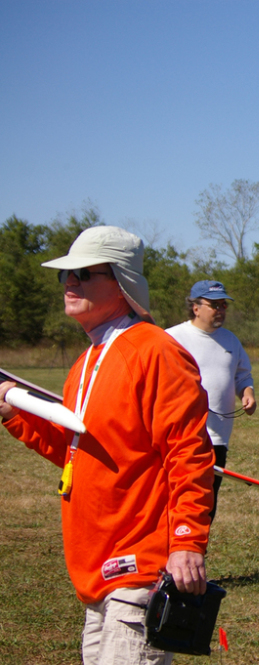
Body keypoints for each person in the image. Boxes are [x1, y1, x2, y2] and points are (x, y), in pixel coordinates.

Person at [0, 226, 215, 665]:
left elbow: (188, 452)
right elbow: (79, 451)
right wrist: (14, 414)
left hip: (137, 569)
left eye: (83, 273)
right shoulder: (86, 361)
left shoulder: (155, 350)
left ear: (119, 282)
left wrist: (186, 540)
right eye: (66, 276)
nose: (70, 284)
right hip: (96, 572)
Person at [166, 280, 255, 520]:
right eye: (214, 305)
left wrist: (247, 393)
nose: (221, 310)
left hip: (217, 437)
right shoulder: (172, 338)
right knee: (176, 498)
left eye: (223, 305)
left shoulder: (230, 340)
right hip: (181, 435)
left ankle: (197, 552)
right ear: (196, 307)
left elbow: (242, 374)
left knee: (207, 501)